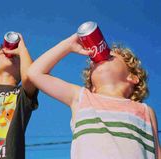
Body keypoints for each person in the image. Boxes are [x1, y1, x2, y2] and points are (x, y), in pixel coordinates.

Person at [28, 33, 160, 159]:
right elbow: (35, 73)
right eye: (95, 62)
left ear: (132, 77)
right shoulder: (82, 98)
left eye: (109, 56)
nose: (100, 59)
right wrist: (68, 45)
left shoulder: (145, 111)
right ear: (93, 86)